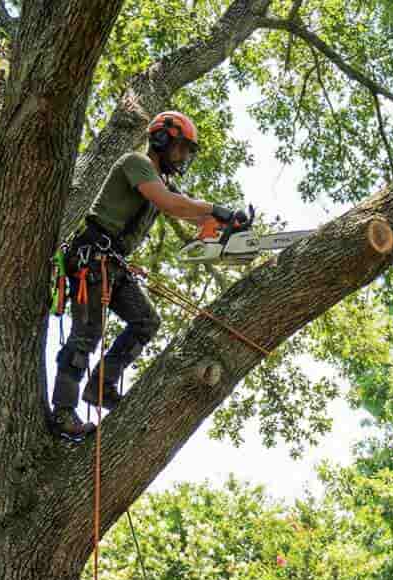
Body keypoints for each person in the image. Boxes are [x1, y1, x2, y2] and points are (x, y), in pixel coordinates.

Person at [52, 111, 250, 437]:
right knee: (87, 335)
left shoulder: (163, 184)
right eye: (182, 147)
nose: (184, 156)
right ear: (162, 140)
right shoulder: (136, 163)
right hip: (92, 258)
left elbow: (187, 210)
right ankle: (62, 412)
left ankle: (101, 385)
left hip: (113, 264)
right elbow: (171, 203)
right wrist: (215, 209)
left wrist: (230, 226)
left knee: (146, 321)